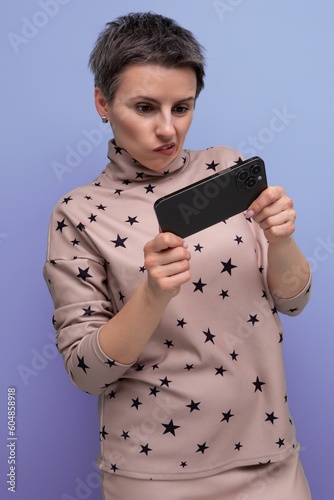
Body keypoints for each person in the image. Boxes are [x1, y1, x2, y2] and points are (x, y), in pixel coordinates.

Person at [43, 12, 312, 500]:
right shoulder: (78, 214)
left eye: (182, 107)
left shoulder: (226, 168)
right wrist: (153, 294)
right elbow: (86, 372)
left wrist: (281, 239)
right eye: (145, 107)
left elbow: (293, 303)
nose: (168, 130)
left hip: (269, 458)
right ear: (103, 102)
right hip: (152, 477)